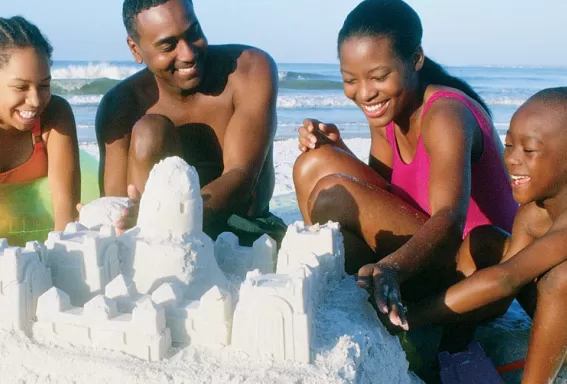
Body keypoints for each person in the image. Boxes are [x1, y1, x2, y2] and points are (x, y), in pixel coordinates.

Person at [293, 0, 517, 335]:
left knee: (330, 195)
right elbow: (384, 193)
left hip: (472, 270)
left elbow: (450, 220)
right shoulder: (387, 113)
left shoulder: (445, 114)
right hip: (423, 251)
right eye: (350, 79)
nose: (365, 93)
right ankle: (353, 288)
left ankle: (380, 295)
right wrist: (338, 150)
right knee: (311, 164)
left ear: (415, 59)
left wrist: (392, 268)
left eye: (379, 76)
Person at [406, 87, 567, 383]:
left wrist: (410, 317)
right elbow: (505, 283)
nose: (512, 160)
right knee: (486, 239)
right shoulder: (533, 212)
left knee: (562, 279)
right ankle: (452, 347)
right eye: (508, 145)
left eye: (529, 150)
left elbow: (506, 278)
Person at [96, 0, 286, 245]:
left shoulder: (248, 69)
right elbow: (117, 203)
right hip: (155, 243)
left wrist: (172, 221)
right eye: (168, 45)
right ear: (135, 49)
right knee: (149, 131)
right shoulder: (121, 105)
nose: (188, 54)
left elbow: (242, 176)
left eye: (193, 33)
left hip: (245, 232)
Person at [0, 16, 80, 231]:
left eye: (44, 85)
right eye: (20, 87)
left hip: (34, 225)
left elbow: (67, 217)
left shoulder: (54, 115)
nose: (35, 101)